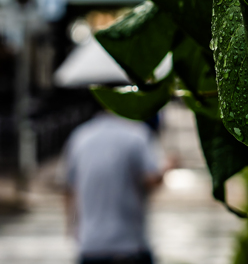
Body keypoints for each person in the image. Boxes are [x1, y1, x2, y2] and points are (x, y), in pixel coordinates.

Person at [62, 110, 170, 264]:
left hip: (90, 245)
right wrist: (168, 167)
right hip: (129, 246)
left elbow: (68, 189)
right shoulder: (137, 135)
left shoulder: (80, 136)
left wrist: (72, 228)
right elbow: (151, 180)